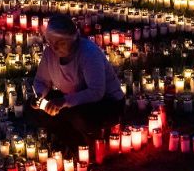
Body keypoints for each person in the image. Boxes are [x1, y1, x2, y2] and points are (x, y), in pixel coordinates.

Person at [30, 14, 125, 150]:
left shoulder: (88, 53)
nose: (55, 48)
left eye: (60, 43)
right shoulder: (49, 53)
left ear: (73, 39)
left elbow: (96, 92)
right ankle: (69, 138)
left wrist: (63, 102)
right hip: (72, 101)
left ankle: (88, 143)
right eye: (51, 42)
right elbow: (42, 81)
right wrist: (39, 96)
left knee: (78, 117)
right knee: (35, 110)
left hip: (106, 103)